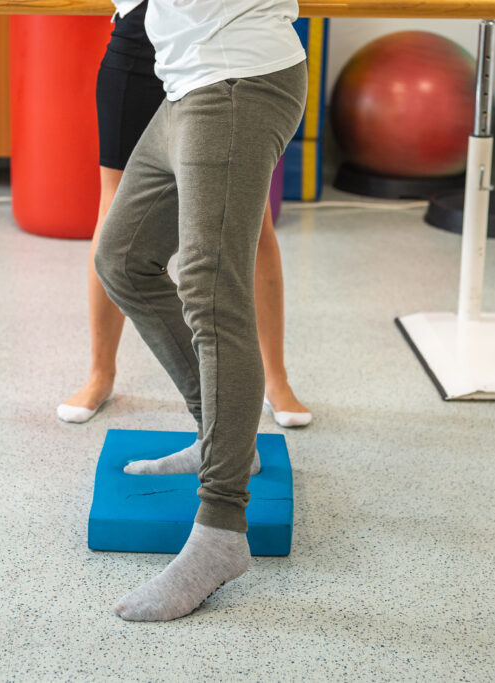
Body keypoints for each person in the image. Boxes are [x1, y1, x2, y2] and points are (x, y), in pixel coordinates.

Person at [93, 0, 308, 621]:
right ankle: (223, 437)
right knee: (123, 259)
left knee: (213, 294)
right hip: (185, 82)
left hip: (238, 81)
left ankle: (220, 527)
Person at [57, 0, 311, 430]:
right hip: (144, 34)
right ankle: (101, 373)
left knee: (251, 223)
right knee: (115, 217)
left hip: (225, 47)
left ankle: (274, 379)